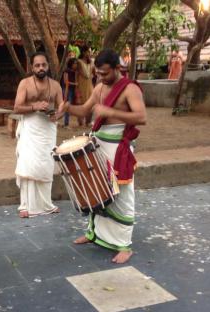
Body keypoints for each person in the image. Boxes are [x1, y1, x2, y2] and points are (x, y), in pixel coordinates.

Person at [57, 49, 147, 264]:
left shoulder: (130, 89)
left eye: (105, 73)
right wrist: (68, 107)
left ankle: (124, 245)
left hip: (119, 149)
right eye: (98, 73)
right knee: (96, 190)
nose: (101, 77)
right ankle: (94, 234)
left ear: (117, 68)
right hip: (98, 146)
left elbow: (141, 117)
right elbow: (85, 111)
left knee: (122, 195)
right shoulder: (99, 88)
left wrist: (111, 113)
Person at [13, 51, 63, 218]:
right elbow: (17, 108)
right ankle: (25, 205)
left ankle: (46, 204)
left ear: (48, 66)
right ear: (32, 67)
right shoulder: (25, 83)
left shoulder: (55, 85)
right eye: (37, 65)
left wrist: (58, 115)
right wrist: (34, 107)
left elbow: (61, 107)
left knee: (46, 164)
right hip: (31, 128)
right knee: (29, 164)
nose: (41, 68)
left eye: (43, 65)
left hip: (48, 129)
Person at [77, 46, 94, 125]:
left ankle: (88, 121)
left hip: (89, 84)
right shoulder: (79, 62)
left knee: (91, 103)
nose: (89, 53)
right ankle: (81, 122)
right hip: (81, 84)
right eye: (88, 51)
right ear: (83, 52)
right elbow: (83, 74)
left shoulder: (90, 62)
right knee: (81, 103)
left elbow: (91, 74)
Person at [62, 58, 78, 128]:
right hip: (67, 89)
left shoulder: (75, 71)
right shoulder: (67, 71)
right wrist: (75, 84)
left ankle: (66, 122)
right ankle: (66, 123)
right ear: (71, 64)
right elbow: (66, 81)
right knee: (67, 105)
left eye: (76, 63)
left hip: (72, 89)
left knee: (68, 106)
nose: (76, 65)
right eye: (74, 63)